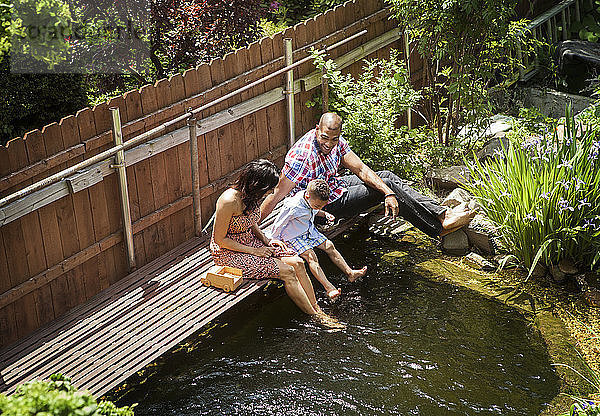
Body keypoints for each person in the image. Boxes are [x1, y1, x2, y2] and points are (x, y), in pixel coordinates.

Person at [260, 112, 475, 239]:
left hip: (333, 185)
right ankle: (438, 227)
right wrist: (254, 228)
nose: (328, 143)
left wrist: (388, 191)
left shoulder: (337, 142)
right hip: (321, 205)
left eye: (333, 139)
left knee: (385, 176)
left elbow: (361, 169)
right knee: (386, 187)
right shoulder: (301, 156)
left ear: (339, 135)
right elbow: (278, 194)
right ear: (317, 130)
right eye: (324, 137)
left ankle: (440, 214)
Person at [211, 159, 328, 318]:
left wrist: (266, 240)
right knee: (288, 271)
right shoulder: (228, 201)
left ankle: (316, 308)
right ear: (258, 185)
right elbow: (220, 240)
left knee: (298, 263)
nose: (272, 193)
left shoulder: (250, 195)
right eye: (270, 189)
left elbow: (249, 222)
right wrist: (255, 251)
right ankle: (316, 317)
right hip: (229, 252)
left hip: (252, 242)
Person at [267, 179, 367, 300]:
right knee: (311, 257)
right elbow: (278, 224)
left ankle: (350, 273)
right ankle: (329, 287)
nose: (318, 207)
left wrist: (324, 214)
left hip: (308, 230)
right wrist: (276, 241)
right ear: (308, 196)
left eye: (321, 206)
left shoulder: (311, 199)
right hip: (293, 236)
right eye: (317, 206)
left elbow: (313, 209)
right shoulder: (293, 206)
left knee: (329, 246)